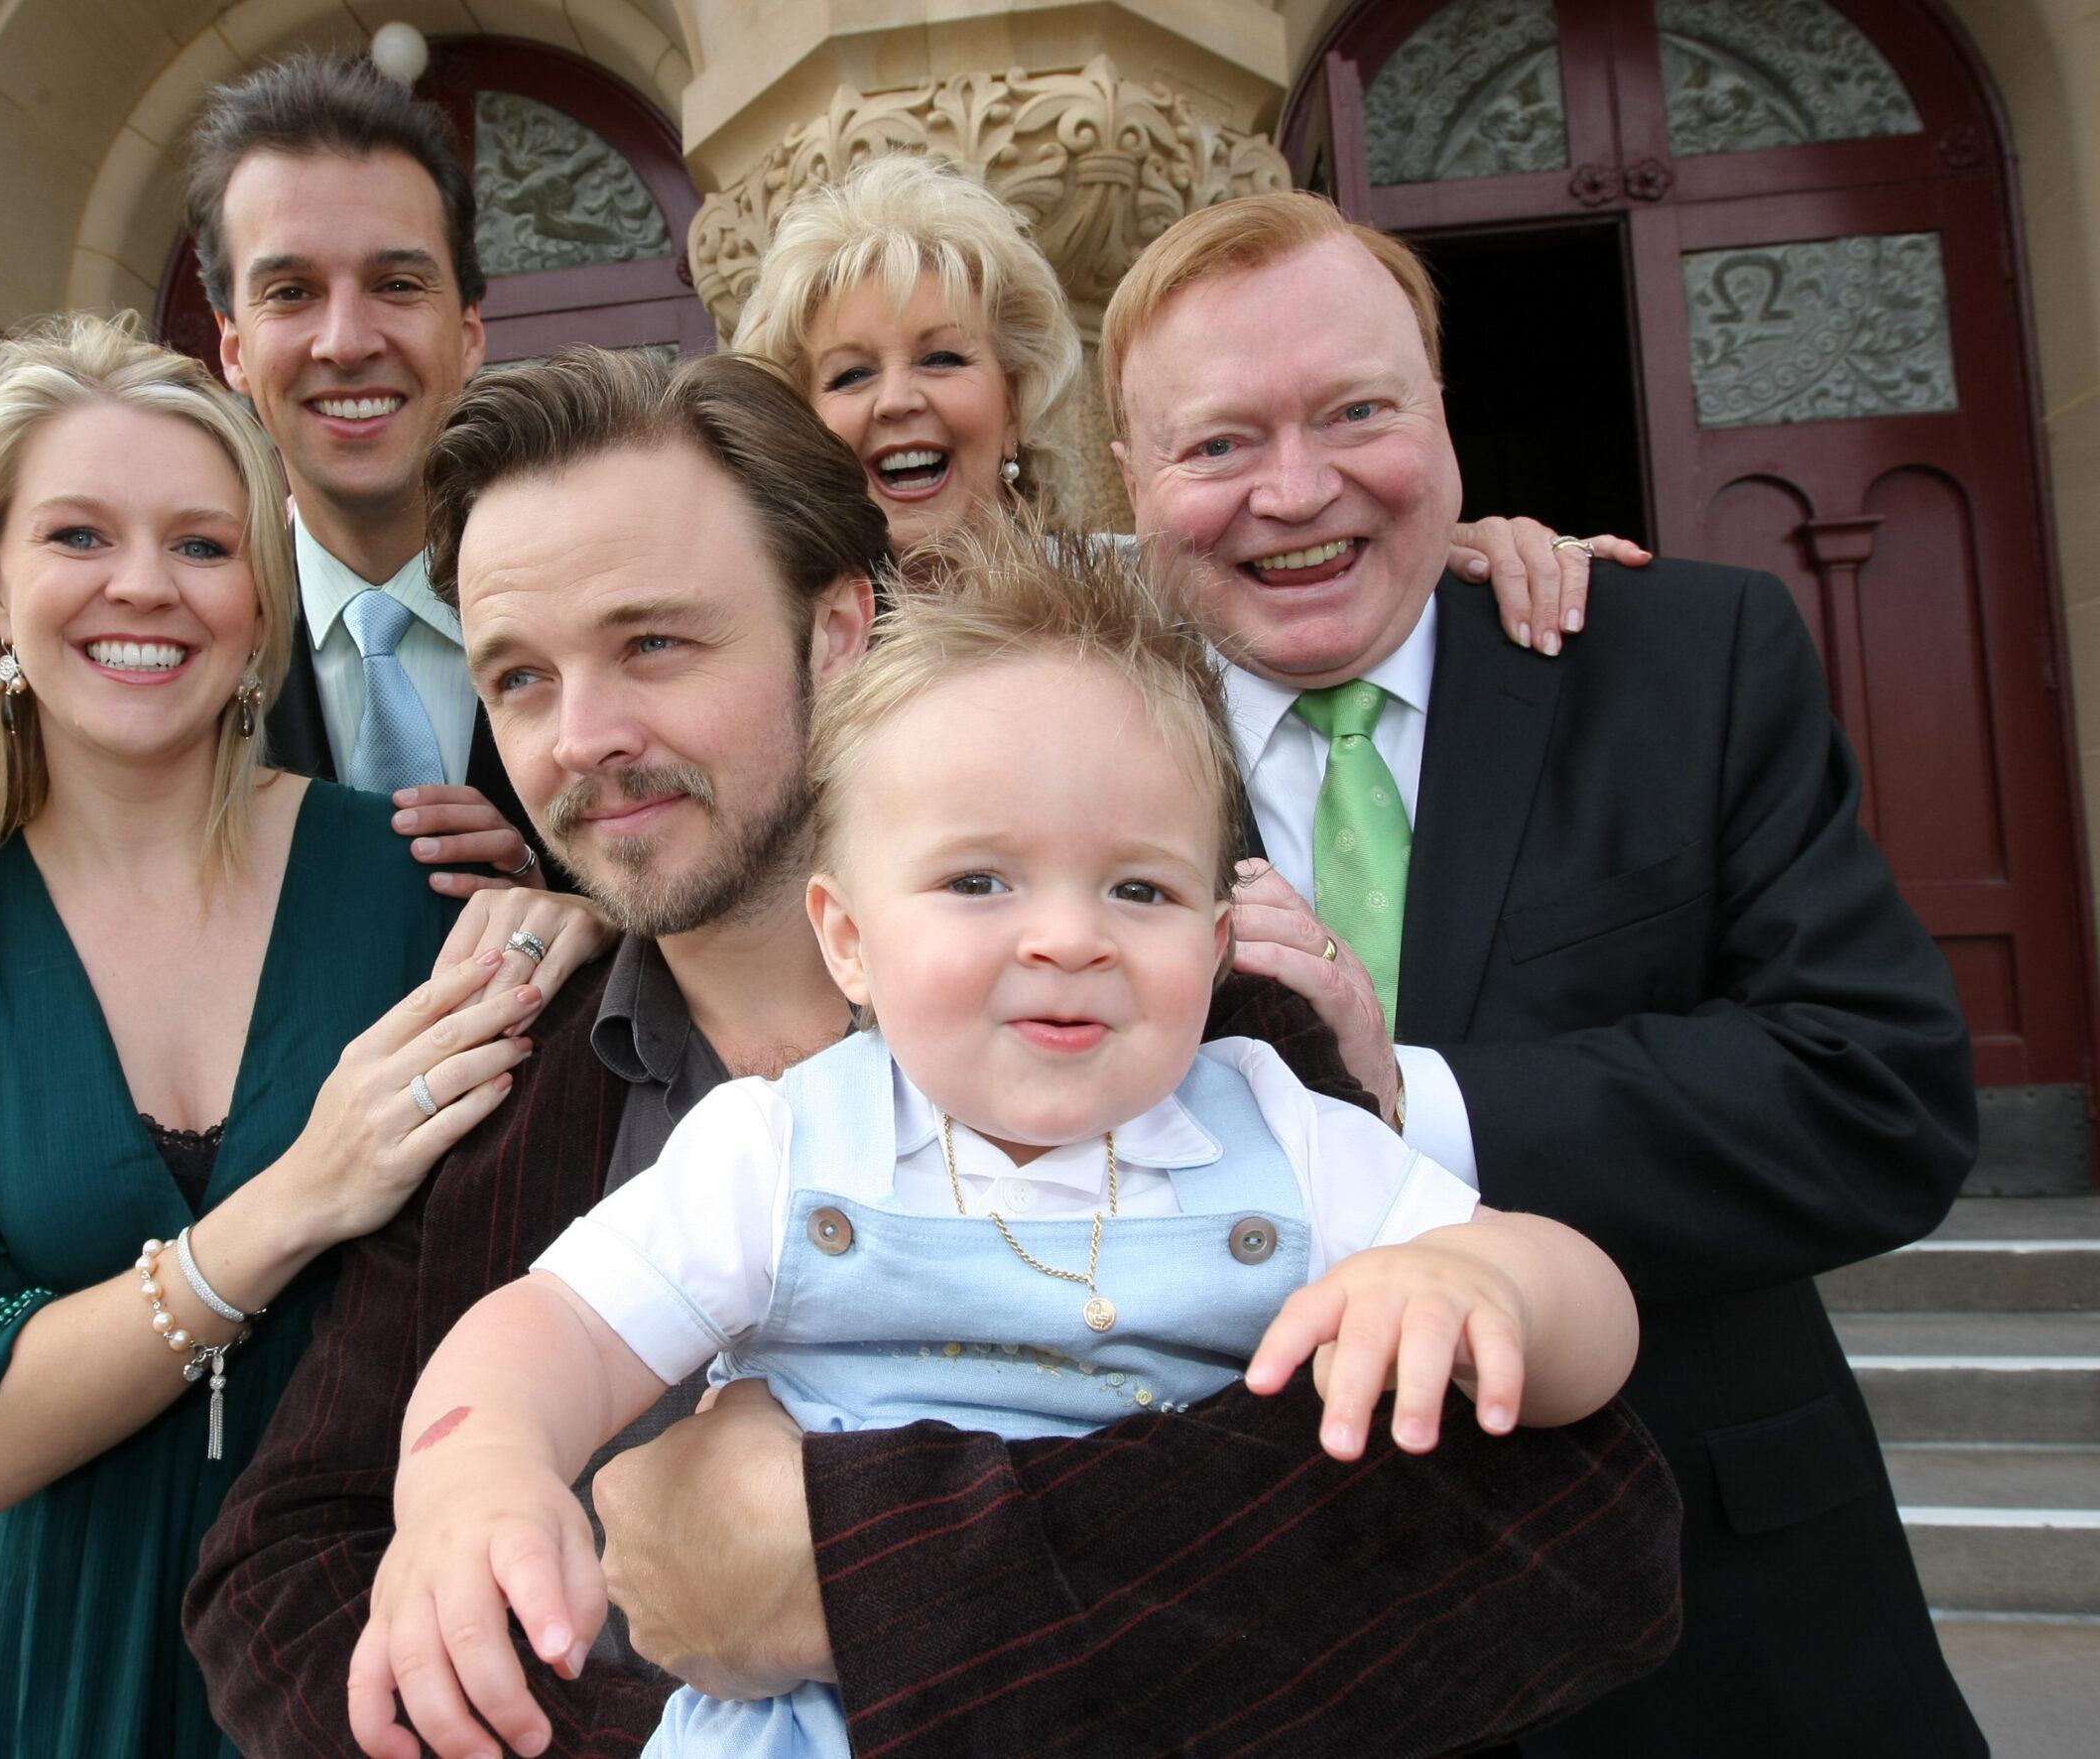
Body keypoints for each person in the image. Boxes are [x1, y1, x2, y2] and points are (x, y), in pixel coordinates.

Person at [185, 347, 1683, 1757]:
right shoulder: (495, 1080)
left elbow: (1561, 1536)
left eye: (654, 641)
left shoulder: (1190, 1037)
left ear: (838, 632)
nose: (581, 734)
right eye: (517, 677)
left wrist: (845, 1572)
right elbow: (280, 1582)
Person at [1103, 192, 1984, 1756]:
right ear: (1132, 481)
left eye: (1356, 412)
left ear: (1444, 418)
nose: (1293, 490)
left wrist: (1411, 1100)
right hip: (1273, 1654)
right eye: (1219, 443)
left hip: (1720, 1636)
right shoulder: (1070, 761)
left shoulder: (1687, 659)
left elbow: (1877, 1095)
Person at [0, 314, 555, 1758]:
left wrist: (575, 918)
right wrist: (292, 1203)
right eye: (78, 535)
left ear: (262, 605)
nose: (143, 586)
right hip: (35, 1670)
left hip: (367, 1650)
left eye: (203, 546)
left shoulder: (414, 884)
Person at [726, 151, 1640, 651]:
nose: (896, 400)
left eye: (942, 357)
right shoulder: (765, 645)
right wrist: (585, 912)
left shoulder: (1159, 588)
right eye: (848, 375)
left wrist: (1460, 555)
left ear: (1013, 402)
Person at [186, 52, 567, 901]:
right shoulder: (184, 643)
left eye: (397, 284)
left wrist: (582, 912)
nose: (347, 342)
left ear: (468, 332)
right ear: (234, 348)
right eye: (291, 292)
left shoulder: (603, 595)